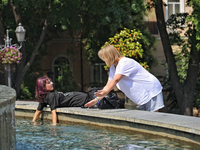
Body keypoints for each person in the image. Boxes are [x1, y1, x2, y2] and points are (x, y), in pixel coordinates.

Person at [85, 44, 164, 112]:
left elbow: (116, 79)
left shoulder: (124, 62)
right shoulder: (113, 67)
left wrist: (104, 92)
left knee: (152, 117)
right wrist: (96, 100)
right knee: (147, 119)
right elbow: (108, 85)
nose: (103, 60)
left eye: (103, 58)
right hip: (143, 95)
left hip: (150, 90)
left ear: (109, 56)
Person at [32, 76, 103, 125]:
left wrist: (54, 126)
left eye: (51, 81)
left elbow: (53, 112)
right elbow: (38, 110)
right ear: (43, 87)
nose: (52, 83)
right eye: (49, 83)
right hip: (76, 96)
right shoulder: (44, 96)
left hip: (80, 99)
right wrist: (33, 122)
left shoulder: (51, 96)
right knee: (98, 98)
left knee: (100, 101)